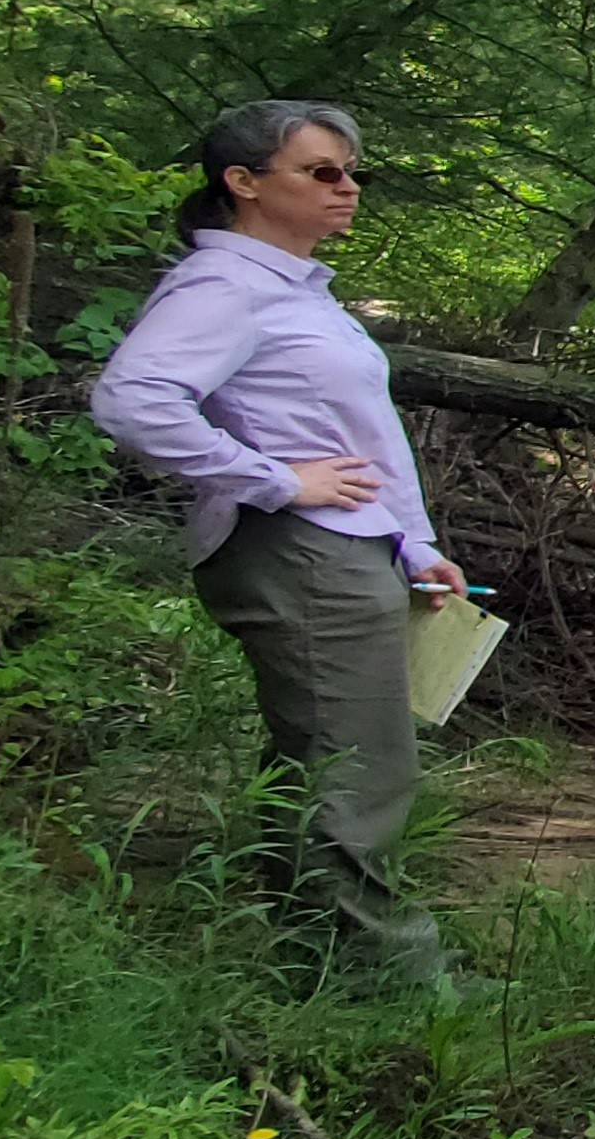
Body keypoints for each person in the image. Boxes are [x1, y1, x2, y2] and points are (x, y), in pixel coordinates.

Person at [90, 100, 468, 976]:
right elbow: (133, 399)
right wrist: (275, 479)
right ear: (245, 182)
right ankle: (382, 978)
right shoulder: (225, 287)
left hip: (344, 548)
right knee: (357, 768)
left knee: (331, 755)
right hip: (299, 552)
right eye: (322, 172)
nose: (348, 190)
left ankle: (319, 955)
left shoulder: (294, 289)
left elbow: (358, 434)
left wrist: (414, 544)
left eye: (352, 173)